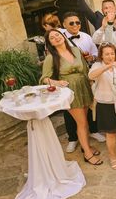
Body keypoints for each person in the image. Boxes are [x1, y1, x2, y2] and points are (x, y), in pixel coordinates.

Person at [40, 29, 101, 165]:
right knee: (82, 123)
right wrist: (57, 82)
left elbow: (85, 69)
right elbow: (44, 78)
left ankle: (86, 146)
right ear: (50, 43)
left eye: (57, 35)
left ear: (63, 36)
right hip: (70, 92)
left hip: (84, 87)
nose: (56, 38)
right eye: (52, 38)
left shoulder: (75, 50)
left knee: (85, 120)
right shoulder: (51, 57)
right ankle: (87, 153)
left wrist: (93, 85)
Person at [60, 11, 105, 148]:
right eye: (71, 23)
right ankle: (73, 138)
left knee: (90, 105)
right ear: (64, 24)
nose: (75, 25)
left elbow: (95, 54)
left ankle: (94, 130)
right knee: (70, 109)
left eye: (78, 22)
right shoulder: (60, 39)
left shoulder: (85, 36)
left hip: (85, 75)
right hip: (68, 79)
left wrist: (91, 57)